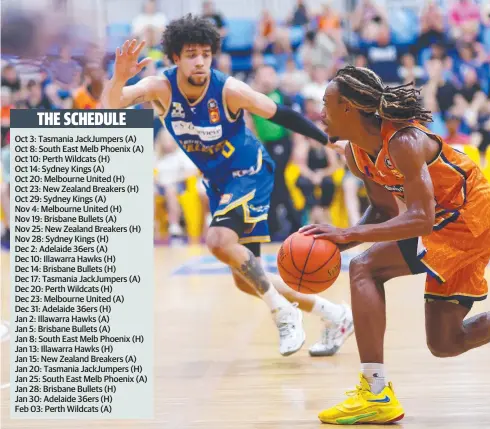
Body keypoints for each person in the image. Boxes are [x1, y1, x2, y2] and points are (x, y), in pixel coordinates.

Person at [301, 66, 490, 425]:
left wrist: (348, 236)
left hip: (472, 216)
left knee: (365, 268)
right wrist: (336, 243)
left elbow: (420, 219)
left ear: (349, 107)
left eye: (326, 105)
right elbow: (383, 210)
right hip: (443, 220)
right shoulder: (355, 154)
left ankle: (375, 392)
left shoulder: (403, 141)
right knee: (446, 342)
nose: (320, 114)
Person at [101, 14, 353, 358]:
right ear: (175, 57)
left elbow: (279, 113)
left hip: (251, 171)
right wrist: (118, 77)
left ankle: (283, 312)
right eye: (191, 54)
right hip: (220, 182)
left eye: (206, 53)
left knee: (218, 240)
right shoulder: (161, 87)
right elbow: (112, 104)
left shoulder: (229, 89)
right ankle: (334, 315)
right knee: (243, 277)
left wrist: (329, 141)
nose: (200, 61)